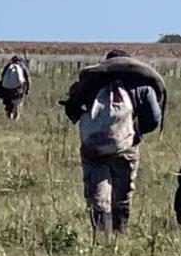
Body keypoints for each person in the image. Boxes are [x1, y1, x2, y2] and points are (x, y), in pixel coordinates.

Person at [60, 49, 166, 235]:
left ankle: (101, 237)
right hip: (125, 148)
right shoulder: (142, 86)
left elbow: (72, 111)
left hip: (93, 149)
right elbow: (154, 118)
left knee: (97, 196)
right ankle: (119, 234)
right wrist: (137, 133)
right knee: (122, 195)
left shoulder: (90, 84)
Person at [0, 55, 30, 119]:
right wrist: (28, 89)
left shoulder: (7, 66)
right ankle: (15, 119)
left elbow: (2, 77)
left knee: (8, 105)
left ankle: (9, 118)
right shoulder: (22, 66)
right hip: (18, 89)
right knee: (17, 105)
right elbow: (27, 78)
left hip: (7, 89)